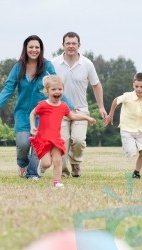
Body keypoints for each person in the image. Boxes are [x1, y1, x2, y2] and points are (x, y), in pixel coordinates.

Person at [0, 35, 73, 180]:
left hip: (43, 114)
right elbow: (7, 90)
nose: (34, 50)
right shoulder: (18, 67)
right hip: (22, 113)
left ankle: (33, 173)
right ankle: (22, 163)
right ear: (25, 49)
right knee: (23, 143)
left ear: (41, 50)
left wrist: (70, 106)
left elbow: (56, 86)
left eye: (37, 47)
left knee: (38, 146)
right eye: (31, 47)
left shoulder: (47, 66)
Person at [51, 32, 107, 178]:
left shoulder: (87, 64)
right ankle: (63, 172)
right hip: (59, 110)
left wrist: (101, 107)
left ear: (79, 45)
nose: (71, 46)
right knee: (61, 142)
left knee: (78, 140)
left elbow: (96, 85)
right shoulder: (54, 63)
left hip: (80, 110)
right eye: (68, 43)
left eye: (73, 43)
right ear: (63, 45)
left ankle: (75, 164)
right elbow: (46, 85)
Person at [29, 75, 96, 188]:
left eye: (60, 89)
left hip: (56, 139)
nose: (57, 92)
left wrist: (87, 118)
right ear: (47, 91)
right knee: (47, 163)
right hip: (43, 139)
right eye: (54, 89)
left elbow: (73, 116)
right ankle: (42, 166)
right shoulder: (43, 105)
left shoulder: (63, 106)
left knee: (58, 161)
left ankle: (57, 181)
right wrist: (32, 127)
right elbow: (32, 113)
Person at [104, 72, 142, 179]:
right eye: (136, 86)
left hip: (140, 131)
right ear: (133, 85)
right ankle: (128, 146)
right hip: (126, 130)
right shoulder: (127, 96)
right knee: (131, 153)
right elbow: (115, 101)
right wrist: (110, 115)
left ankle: (136, 173)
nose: (139, 89)